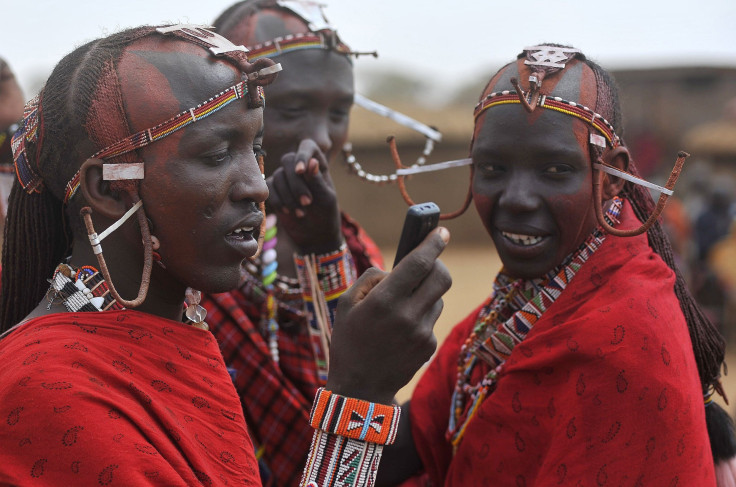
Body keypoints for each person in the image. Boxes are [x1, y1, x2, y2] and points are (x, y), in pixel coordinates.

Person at [0, 24, 451, 486]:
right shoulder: (48, 389)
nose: (257, 185)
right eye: (216, 155)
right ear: (108, 188)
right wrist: (359, 396)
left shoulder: (172, 331)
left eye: (256, 148)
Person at [376, 45, 732, 486]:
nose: (517, 198)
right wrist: (365, 380)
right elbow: (415, 437)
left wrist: (358, 390)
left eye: (555, 169)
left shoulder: (625, 341)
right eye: (492, 167)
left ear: (613, 179)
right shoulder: (526, 301)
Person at [200, 2, 391, 484]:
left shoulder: (351, 245)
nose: (322, 138)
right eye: (290, 109)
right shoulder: (181, 241)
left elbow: (360, 378)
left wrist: (322, 249)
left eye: (339, 113)